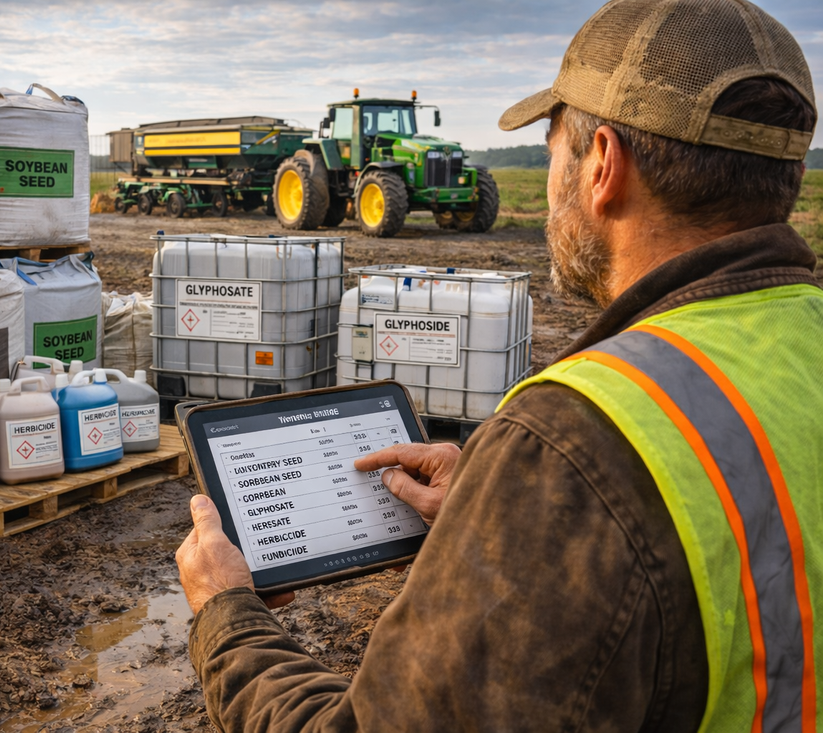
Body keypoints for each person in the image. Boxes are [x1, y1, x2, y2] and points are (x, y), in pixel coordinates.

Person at [175, 0, 822, 729]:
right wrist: (498, 511)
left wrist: (225, 612)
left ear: (603, 164)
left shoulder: (572, 442)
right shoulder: (803, 339)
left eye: (551, 148)